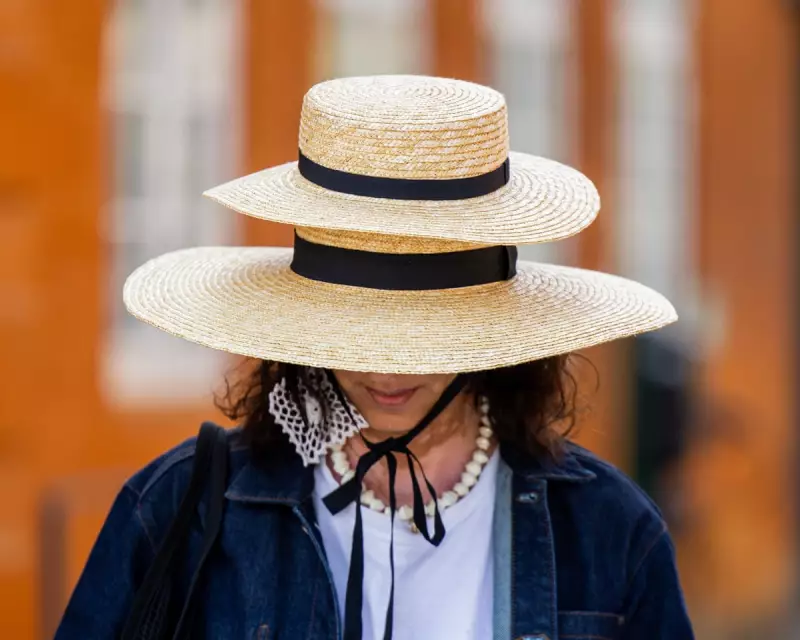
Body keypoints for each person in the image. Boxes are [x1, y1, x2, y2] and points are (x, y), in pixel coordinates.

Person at [55, 75, 694, 639]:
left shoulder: (609, 533)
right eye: (357, 332)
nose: (387, 372)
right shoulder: (179, 509)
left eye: (427, 335)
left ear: (496, 335)